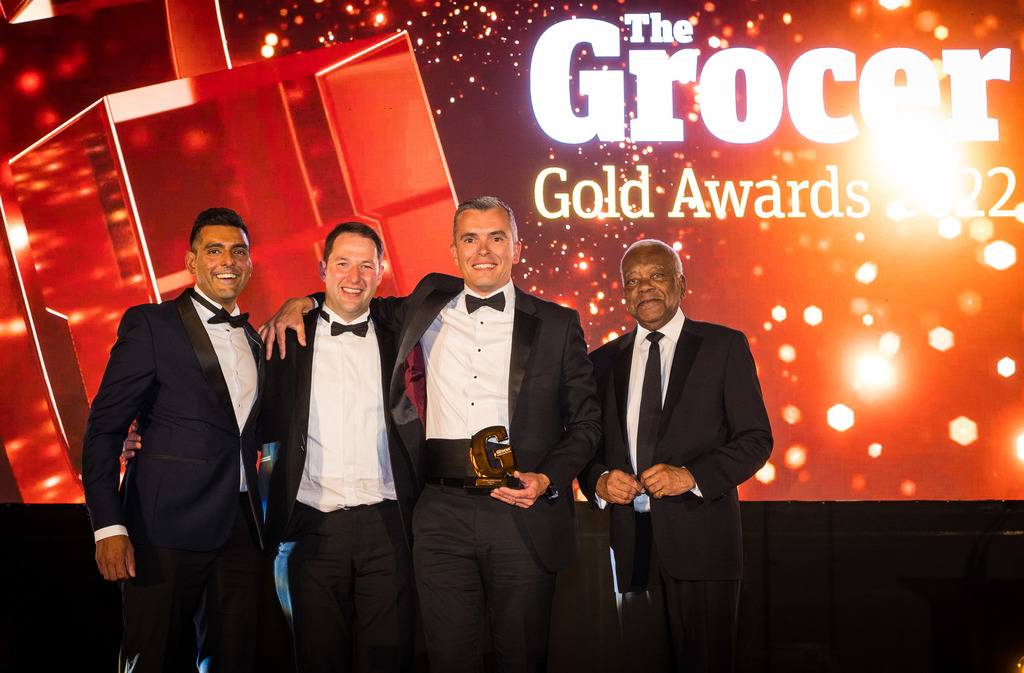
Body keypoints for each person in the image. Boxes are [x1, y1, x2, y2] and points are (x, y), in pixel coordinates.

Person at [263, 196, 602, 672]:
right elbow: (352, 298)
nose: (483, 250)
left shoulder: (557, 323)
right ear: (454, 249)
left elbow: (587, 422)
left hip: (521, 513)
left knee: (523, 658)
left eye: (496, 237)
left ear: (517, 248)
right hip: (440, 514)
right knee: (448, 660)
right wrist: (305, 301)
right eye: (470, 238)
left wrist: (547, 478)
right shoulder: (425, 305)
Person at [81, 207, 266, 672]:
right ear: (191, 261)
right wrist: (108, 526)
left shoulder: (256, 339)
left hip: (242, 530)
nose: (228, 261)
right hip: (161, 530)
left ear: (250, 262)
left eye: (239, 251)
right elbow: (104, 429)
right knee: (152, 660)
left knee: (235, 661)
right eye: (214, 250)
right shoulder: (151, 324)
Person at [578, 239, 773, 672]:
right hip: (632, 549)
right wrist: (599, 481)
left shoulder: (723, 346)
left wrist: (691, 476)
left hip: (704, 546)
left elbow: (756, 439)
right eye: (633, 281)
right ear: (623, 294)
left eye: (657, 275)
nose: (644, 287)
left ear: (681, 284)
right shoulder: (601, 362)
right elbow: (587, 447)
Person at [261, 222, 418, 672]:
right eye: (343, 263)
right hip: (311, 528)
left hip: (388, 529)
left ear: (381, 272)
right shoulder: (285, 337)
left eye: (367, 265)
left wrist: (308, 297)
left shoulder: (402, 336)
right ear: (322, 269)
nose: (354, 276)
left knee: (388, 662)